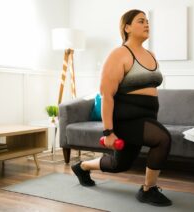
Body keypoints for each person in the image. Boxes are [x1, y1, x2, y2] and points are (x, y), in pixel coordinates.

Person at [71, 9, 173, 207]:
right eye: (141, 21)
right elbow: (107, 95)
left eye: (147, 21)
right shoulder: (119, 54)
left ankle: (82, 167)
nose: (147, 24)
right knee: (163, 139)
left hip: (147, 117)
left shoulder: (150, 55)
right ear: (127, 27)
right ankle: (148, 190)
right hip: (126, 119)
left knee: (119, 165)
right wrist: (108, 131)